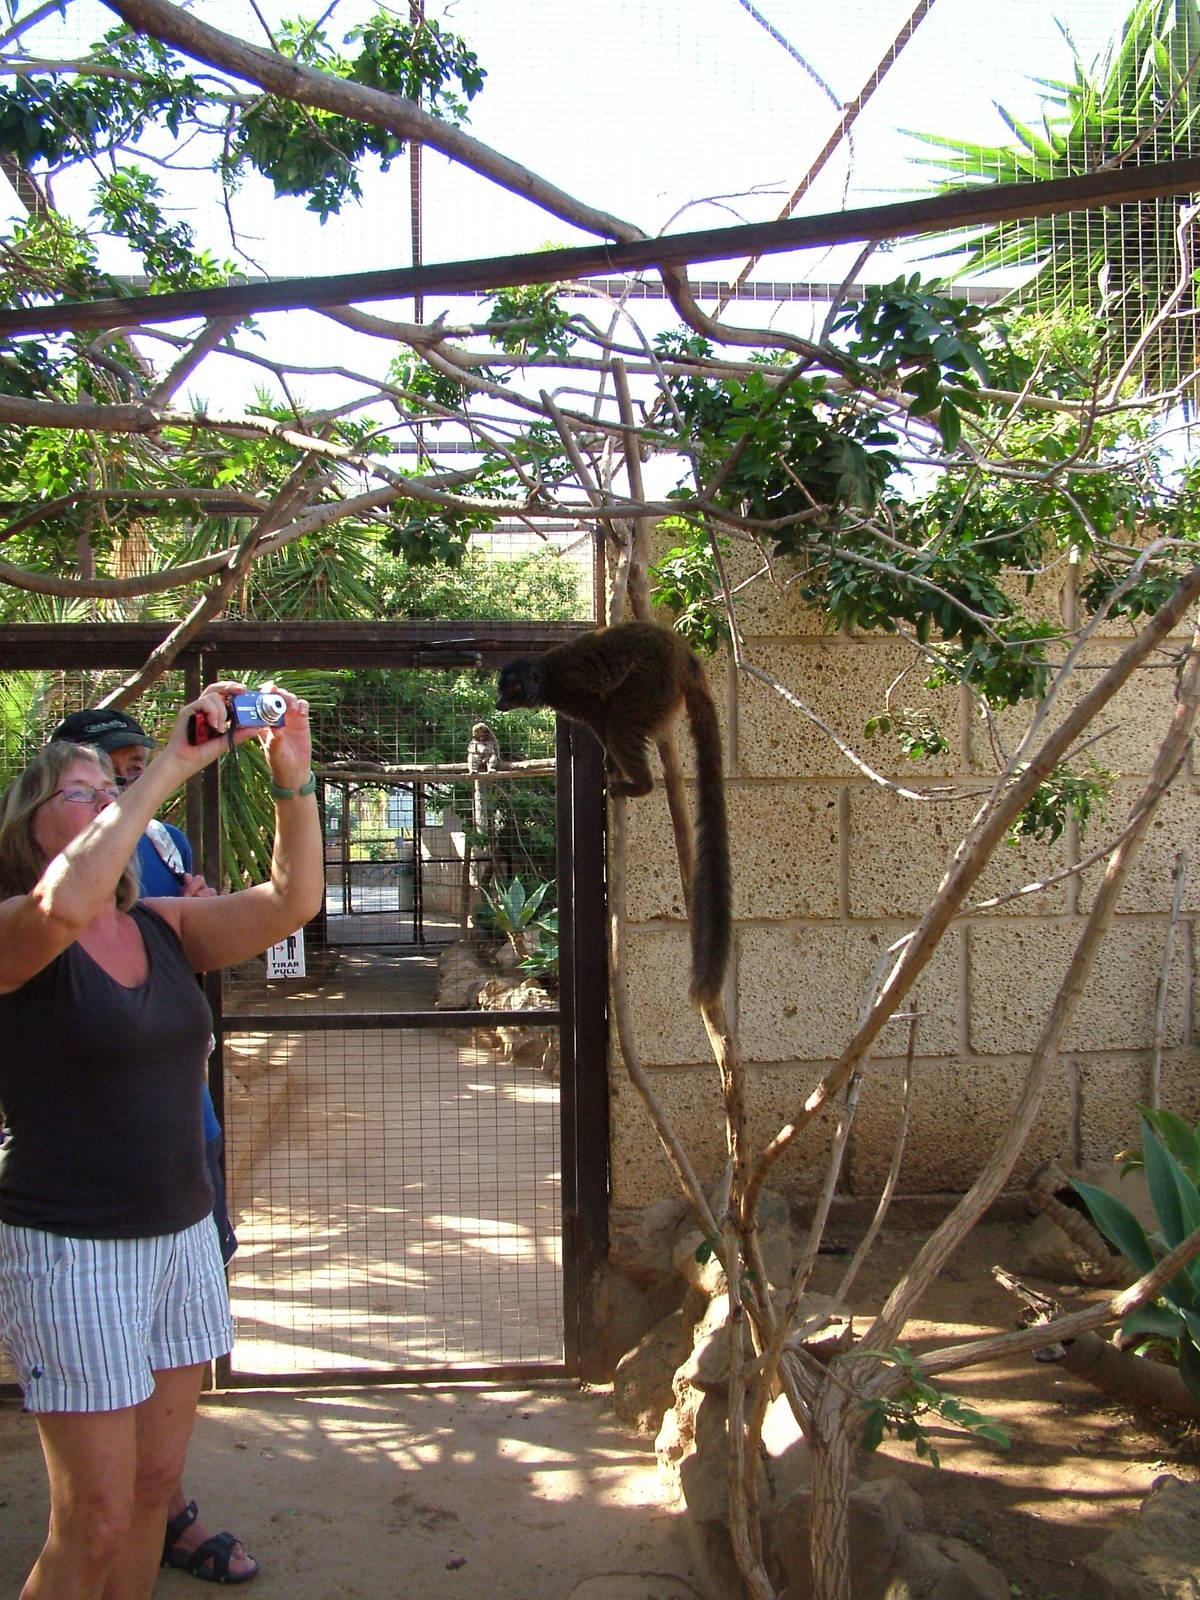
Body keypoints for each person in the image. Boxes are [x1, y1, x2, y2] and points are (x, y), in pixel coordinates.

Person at [0, 681, 322, 1600]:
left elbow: (291, 900)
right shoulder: (20, 932)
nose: (108, 801)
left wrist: (291, 779)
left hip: (181, 1241)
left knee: (148, 1494)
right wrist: (168, 767)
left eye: (114, 791)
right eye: (84, 792)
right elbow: (64, 907)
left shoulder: (161, 925)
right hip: (71, 1253)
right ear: (30, 828)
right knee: (90, 1522)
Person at [49, 706, 249, 1581]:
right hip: (85, 1201)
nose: (123, 785)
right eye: (100, 776)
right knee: (94, 1502)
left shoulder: (162, 842)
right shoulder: (51, 880)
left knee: (169, 1382)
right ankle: (136, 1509)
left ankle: (162, 1508)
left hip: (183, 1149)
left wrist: (192, 917)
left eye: (132, 767)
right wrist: (168, 765)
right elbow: (76, 907)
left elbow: (183, 942)